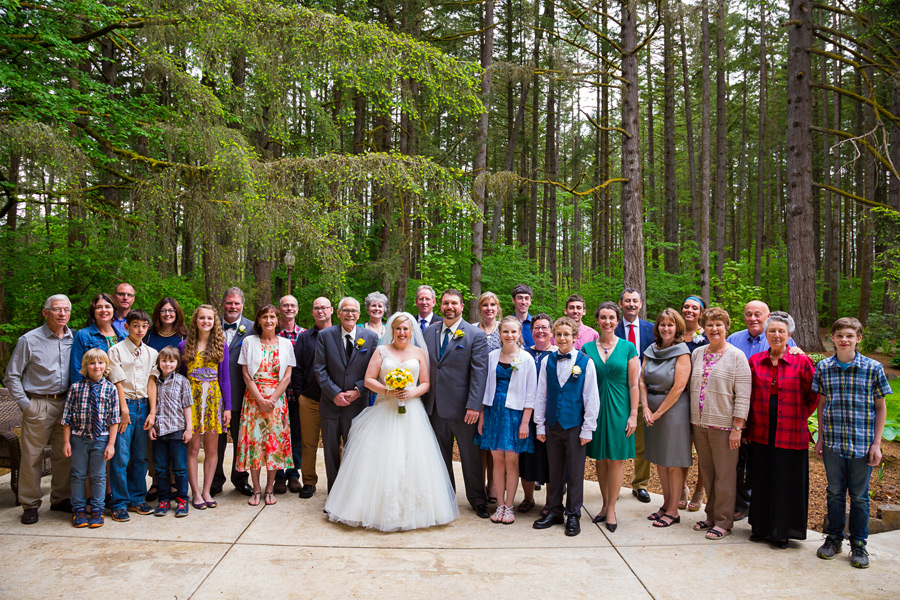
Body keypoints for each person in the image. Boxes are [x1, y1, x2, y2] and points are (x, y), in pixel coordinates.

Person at [324, 312, 459, 531]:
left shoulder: (419, 353)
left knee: (413, 458)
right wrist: (388, 389)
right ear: (392, 330)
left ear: (411, 331)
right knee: (382, 458)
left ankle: (416, 511)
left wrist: (410, 393)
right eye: (398, 329)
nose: (402, 333)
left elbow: (425, 382)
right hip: (385, 408)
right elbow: (368, 380)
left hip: (412, 411)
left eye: (406, 329)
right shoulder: (381, 351)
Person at [813, 317, 891, 569]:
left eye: (849, 335)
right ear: (832, 339)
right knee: (834, 492)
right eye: (839, 335)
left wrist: (876, 444)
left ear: (858, 338)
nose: (844, 340)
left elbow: (881, 407)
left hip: (861, 444)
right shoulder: (824, 367)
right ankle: (833, 538)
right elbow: (821, 404)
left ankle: (858, 543)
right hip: (834, 444)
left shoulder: (873, 368)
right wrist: (820, 438)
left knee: (859, 496)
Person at [747, 312, 816, 548]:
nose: (777, 335)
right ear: (766, 335)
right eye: (772, 331)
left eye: (781, 331)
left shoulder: (802, 362)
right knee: (762, 478)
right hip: (760, 429)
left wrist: (798, 417)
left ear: (789, 335)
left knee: (785, 480)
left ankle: (782, 530)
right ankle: (760, 526)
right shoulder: (755, 361)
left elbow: (813, 394)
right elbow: (748, 394)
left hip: (790, 430)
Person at [4, 294, 74, 524]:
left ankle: (61, 498)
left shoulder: (74, 338)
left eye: (66, 309)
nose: (62, 313)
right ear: (45, 313)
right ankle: (30, 503)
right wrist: (27, 405)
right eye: (57, 309)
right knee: (32, 456)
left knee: (63, 454)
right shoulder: (29, 340)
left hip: (66, 403)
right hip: (39, 403)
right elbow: (12, 376)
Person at [726, 300, 798, 521]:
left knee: (760, 462)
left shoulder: (780, 336)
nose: (753, 318)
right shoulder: (733, 339)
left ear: (768, 316)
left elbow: (796, 367)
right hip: (736, 405)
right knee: (737, 460)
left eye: (758, 314)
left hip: (765, 409)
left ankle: (759, 507)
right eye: (748, 314)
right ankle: (740, 504)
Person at [423, 289, 490, 518]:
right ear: (439, 306)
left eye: (453, 303)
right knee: (440, 458)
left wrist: (474, 405)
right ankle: (446, 498)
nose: (449, 307)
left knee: (470, 458)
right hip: (434, 408)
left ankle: (477, 499)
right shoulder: (429, 332)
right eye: (445, 303)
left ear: (462, 306)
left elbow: (479, 373)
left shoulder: (474, 335)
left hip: (464, 410)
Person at [532, 317, 601, 537]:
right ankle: (554, 511)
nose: (562, 338)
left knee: (574, 472)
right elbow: (541, 395)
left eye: (567, 335)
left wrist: (588, 428)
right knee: (554, 471)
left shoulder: (585, 362)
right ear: (554, 335)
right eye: (559, 334)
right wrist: (540, 426)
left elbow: (591, 397)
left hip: (575, 426)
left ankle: (573, 514)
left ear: (574, 337)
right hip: (552, 425)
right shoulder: (547, 361)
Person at [689, 307, 751, 540]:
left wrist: (737, 427)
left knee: (725, 475)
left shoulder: (736, 356)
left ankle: (724, 521)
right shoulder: (698, 353)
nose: (714, 329)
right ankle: (711, 515)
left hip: (725, 426)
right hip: (700, 423)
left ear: (726, 327)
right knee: (708, 472)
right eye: (709, 325)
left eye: (718, 325)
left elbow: (743, 395)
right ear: (703, 328)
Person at [583, 302, 640, 532]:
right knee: (600, 459)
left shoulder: (628, 348)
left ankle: (612, 509)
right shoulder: (587, 348)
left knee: (616, 459)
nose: (608, 321)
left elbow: (634, 384)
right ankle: (604, 505)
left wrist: (634, 414)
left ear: (618, 321)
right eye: (603, 317)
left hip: (620, 408)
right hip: (595, 409)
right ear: (597, 320)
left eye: (612, 317)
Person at [475, 316, 536, 524]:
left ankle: (510, 506)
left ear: (519, 334)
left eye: (513, 332)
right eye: (505, 332)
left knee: (512, 460)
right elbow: (483, 388)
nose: (509, 335)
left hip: (515, 414)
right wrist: (482, 416)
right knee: (497, 460)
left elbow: (531, 393)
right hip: (493, 412)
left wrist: (525, 422)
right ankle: (499, 505)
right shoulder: (491, 356)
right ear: (499, 333)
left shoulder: (526, 358)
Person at [314, 297, 379, 492]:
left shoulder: (371, 337)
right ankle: (334, 493)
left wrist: (359, 390)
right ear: (339, 313)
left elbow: (374, 371)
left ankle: (352, 494)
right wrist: (334, 393)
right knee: (331, 452)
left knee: (356, 452)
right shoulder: (325, 336)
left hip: (358, 405)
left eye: (353, 311)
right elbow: (319, 369)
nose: (349, 314)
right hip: (331, 405)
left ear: (359, 314)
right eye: (345, 310)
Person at [238, 305, 296, 507]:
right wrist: (260, 400)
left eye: (272, 316)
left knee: (273, 445)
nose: (269, 320)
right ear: (259, 320)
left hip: (277, 401)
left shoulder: (286, 344)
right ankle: (256, 489)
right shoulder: (249, 342)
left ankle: (270, 488)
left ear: (277, 319)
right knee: (255, 445)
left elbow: (287, 375)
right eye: (265, 317)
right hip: (254, 400)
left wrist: (271, 399)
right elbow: (246, 374)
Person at [640, 309, 692, 528]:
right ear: (657, 327)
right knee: (660, 460)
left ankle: (673, 510)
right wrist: (645, 408)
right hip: (651, 408)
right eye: (662, 324)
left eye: (670, 325)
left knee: (674, 462)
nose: (666, 328)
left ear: (677, 328)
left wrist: (659, 412)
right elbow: (642, 380)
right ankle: (665, 503)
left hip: (674, 410)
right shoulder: (651, 350)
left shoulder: (682, 352)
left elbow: (679, 386)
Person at [107, 309, 159, 521]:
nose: (140, 329)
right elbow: (117, 382)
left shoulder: (151, 353)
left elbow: (152, 382)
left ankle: (137, 498)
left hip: (144, 406)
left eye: (144, 326)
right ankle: (119, 502)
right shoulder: (116, 351)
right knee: (121, 456)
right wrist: (123, 410)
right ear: (126, 327)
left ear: (148, 328)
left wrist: (153, 411)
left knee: (140, 456)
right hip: (124, 405)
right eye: (135, 325)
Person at [61, 348, 120, 528]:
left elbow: (114, 419)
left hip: (101, 438)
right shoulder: (76, 388)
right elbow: (66, 418)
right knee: (78, 475)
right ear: (85, 366)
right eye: (92, 363)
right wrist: (66, 442)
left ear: (106, 366)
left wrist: (111, 444)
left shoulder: (110, 389)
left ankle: (97, 510)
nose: (96, 366)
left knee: (99, 476)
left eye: (100, 363)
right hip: (78, 438)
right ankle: (78, 510)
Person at [179, 305, 231, 509]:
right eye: (202, 318)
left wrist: (228, 407)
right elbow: (182, 377)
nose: (206, 322)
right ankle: (195, 493)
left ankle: (207, 490)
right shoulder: (184, 346)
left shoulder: (221, 346)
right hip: (191, 403)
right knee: (192, 449)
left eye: (210, 318)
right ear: (195, 321)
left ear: (214, 321)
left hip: (213, 402)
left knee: (211, 449)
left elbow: (225, 379)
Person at [211, 287, 253, 497]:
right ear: (223, 304)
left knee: (240, 441)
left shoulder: (253, 328)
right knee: (215, 443)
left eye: (236, 303)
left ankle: (240, 479)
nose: (233, 307)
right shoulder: (211, 325)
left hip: (242, 394)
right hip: (214, 396)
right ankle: (215, 480)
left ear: (242, 305)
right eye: (229, 303)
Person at [290, 297, 333, 499]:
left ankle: (338, 481)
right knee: (308, 443)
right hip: (309, 399)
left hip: (334, 400)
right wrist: (300, 394)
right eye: (316, 308)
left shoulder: (339, 335)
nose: (320, 311)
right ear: (312, 312)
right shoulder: (305, 338)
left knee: (336, 443)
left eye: (324, 307)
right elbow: (297, 368)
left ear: (332, 310)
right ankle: (308, 481)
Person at [615, 288, 655, 505]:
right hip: (619, 393)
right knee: (617, 440)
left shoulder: (652, 329)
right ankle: (614, 484)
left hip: (645, 392)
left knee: (643, 443)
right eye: (627, 301)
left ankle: (640, 484)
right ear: (621, 304)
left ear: (640, 304)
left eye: (635, 301)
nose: (631, 304)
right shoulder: (612, 327)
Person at [149, 346, 193, 518]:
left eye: (171, 361)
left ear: (177, 363)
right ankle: (164, 499)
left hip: (177, 429)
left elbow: (187, 405)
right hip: (159, 430)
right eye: (164, 361)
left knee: (180, 468)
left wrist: (188, 428)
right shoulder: (153, 381)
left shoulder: (183, 381)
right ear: (159, 363)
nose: (167, 364)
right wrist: (151, 426)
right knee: (160, 468)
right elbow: (150, 407)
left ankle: (182, 499)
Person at [518, 313, 556, 514]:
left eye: (544, 327)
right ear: (531, 331)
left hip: (550, 414)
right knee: (527, 457)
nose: (540, 331)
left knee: (550, 458)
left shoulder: (557, 354)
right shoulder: (523, 354)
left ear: (551, 332)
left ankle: (550, 501)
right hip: (526, 414)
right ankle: (528, 498)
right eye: (536, 328)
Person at [273, 294, 304, 495]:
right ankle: (278, 476)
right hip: (276, 395)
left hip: (297, 394)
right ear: (280, 309)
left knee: (296, 435)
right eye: (285, 305)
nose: (289, 308)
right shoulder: (271, 333)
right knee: (276, 434)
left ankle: (293, 474)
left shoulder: (304, 334)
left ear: (297, 309)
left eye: (293, 305)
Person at [680, 295, 707, 512]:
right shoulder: (675, 334)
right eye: (686, 307)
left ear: (701, 312)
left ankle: (700, 491)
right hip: (679, 397)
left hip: (702, 397)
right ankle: (682, 487)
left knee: (702, 447)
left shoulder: (707, 336)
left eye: (694, 308)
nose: (689, 310)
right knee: (682, 446)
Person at [476, 290, 502, 503]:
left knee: (493, 441)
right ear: (480, 308)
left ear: (498, 308)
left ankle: (493, 484)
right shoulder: (471, 330)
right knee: (480, 442)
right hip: (476, 391)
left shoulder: (505, 329)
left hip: (497, 393)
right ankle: (479, 485)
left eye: (492, 304)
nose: (489, 308)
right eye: (485, 305)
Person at [70, 293, 127, 385]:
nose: (104, 310)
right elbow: (76, 368)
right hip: (92, 390)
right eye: (99, 307)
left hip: (122, 389)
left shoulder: (124, 336)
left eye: (108, 307)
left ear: (114, 310)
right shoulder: (83, 335)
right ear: (93, 311)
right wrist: (78, 392)